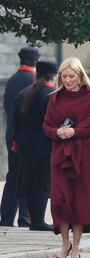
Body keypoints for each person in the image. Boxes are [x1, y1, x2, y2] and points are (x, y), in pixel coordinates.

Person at [43, 57, 90, 258]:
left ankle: (76, 247)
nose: (67, 80)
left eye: (71, 76)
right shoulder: (54, 98)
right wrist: (57, 132)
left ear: (80, 76)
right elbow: (46, 126)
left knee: (79, 201)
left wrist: (75, 131)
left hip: (83, 154)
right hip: (59, 154)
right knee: (60, 200)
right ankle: (64, 243)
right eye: (63, 77)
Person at [13, 61, 58, 231]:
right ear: (52, 76)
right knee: (41, 184)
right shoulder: (51, 95)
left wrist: (15, 142)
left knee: (29, 183)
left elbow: (15, 123)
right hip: (44, 145)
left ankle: (32, 219)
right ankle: (38, 221)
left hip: (24, 144)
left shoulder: (23, 94)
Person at [1, 47, 39, 227]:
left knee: (14, 176)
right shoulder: (33, 82)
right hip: (28, 138)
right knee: (28, 177)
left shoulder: (12, 80)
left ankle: (6, 217)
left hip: (12, 134)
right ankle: (25, 217)